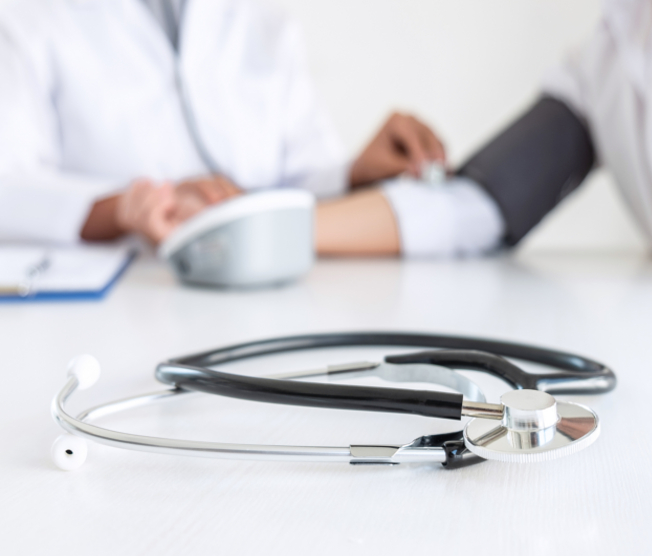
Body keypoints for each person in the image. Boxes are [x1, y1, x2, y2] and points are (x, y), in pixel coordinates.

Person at [1, 0, 504, 259]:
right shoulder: (29, 13)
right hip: (120, 300)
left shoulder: (254, 12)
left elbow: (292, 175)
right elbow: (11, 185)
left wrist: (350, 174)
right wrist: (124, 210)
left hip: (260, 289)